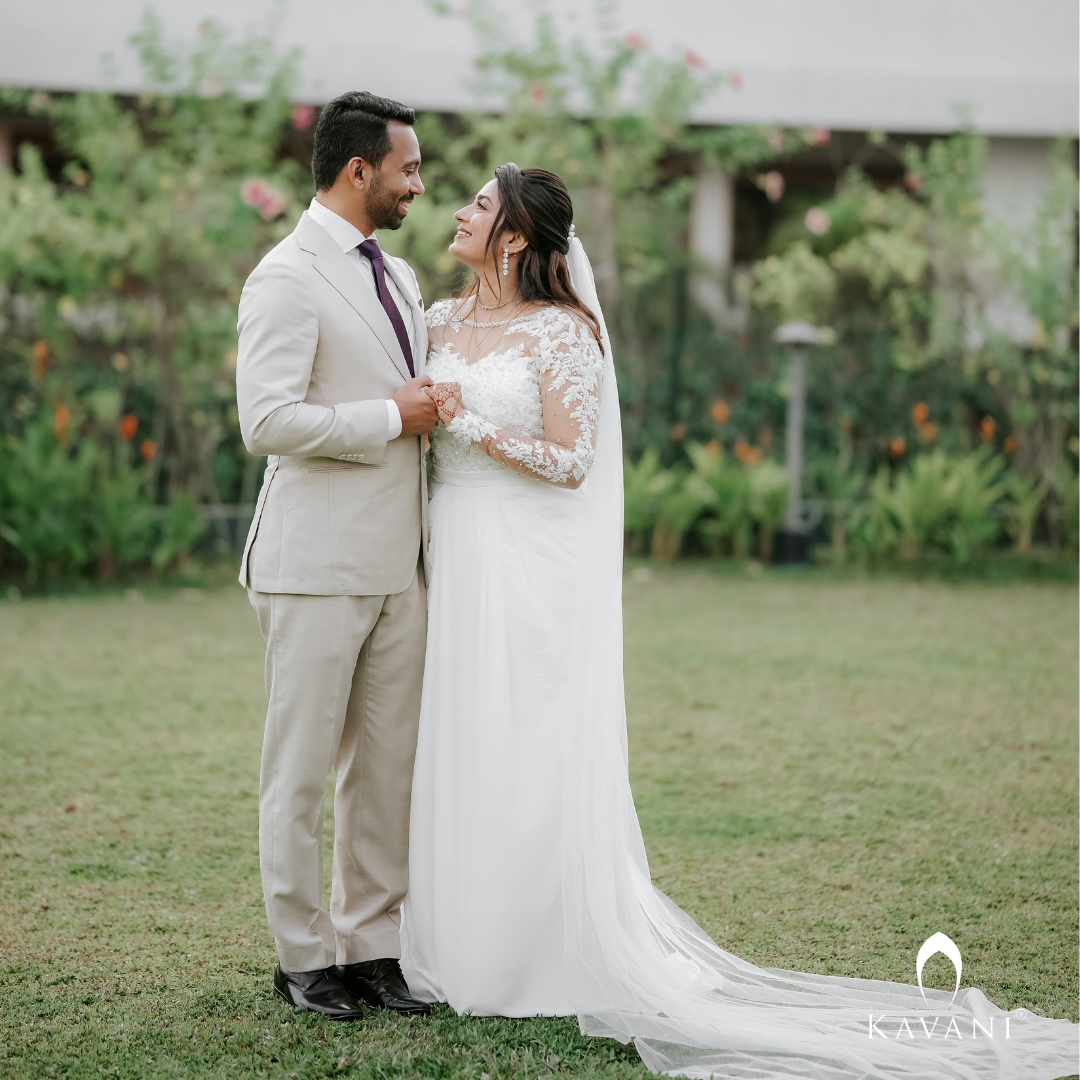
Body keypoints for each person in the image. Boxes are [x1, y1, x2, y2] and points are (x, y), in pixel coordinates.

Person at [402, 163, 1080, 1078]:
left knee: (527, 745)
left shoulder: (564, 332)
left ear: (515, 235)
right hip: (452, 554)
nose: (458, 210)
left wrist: (469, 424)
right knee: (459, 739)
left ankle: (528, 952)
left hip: (527, 568)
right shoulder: (438, 320)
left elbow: (572, 462)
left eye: (479, 204)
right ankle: (452, 940)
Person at [236, 91, 438, 1021]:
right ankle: (303, 955)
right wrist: (391, 416)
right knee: (302, 770)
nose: (418, 185)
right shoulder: (285, 276)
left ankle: (374, 944)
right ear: (359, 170)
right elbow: (267, 420)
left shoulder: (396, 274)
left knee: (384, 771)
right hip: (314, 565)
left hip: (403, 565)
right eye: (408, 169)